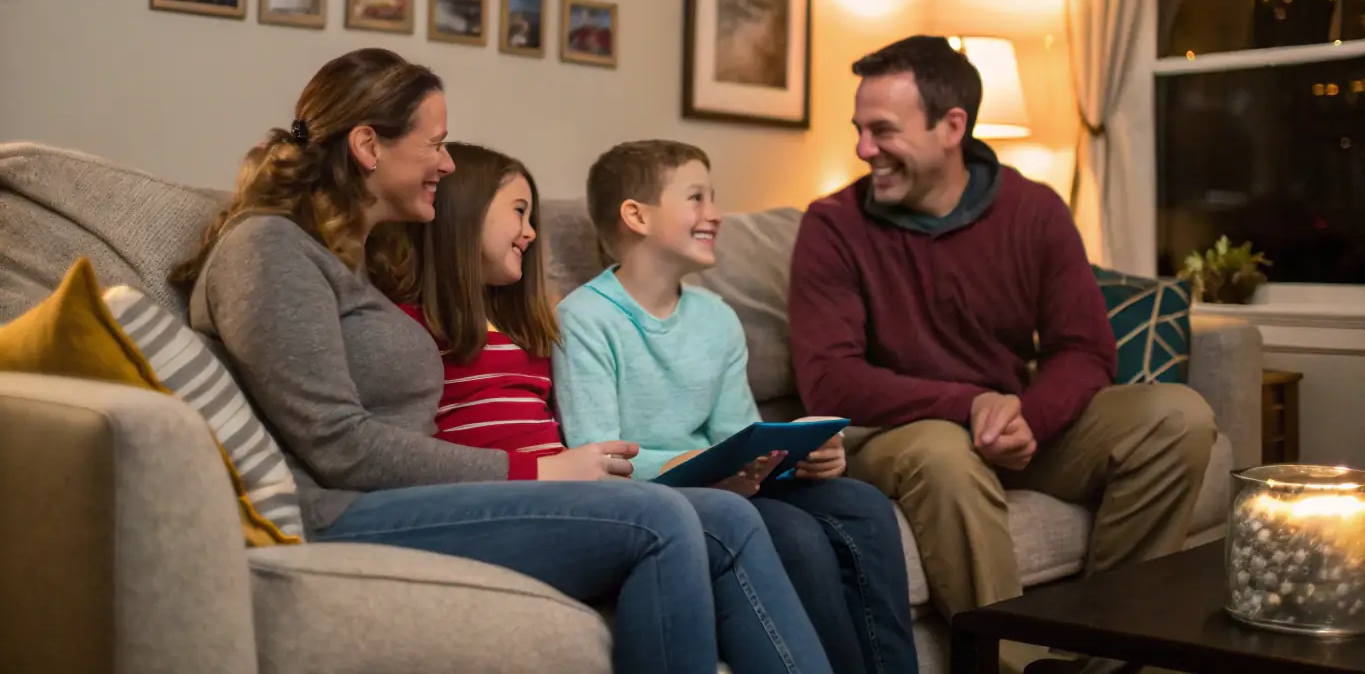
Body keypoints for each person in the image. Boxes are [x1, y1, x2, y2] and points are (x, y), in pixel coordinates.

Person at [172, 48, 829, 674]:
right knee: (657, 519)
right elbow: (339, 444)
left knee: (725, 516)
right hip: (338, 511)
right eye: (434, 144)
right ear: (368, 146)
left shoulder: (351, 262)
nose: (447, 163)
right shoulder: (270, 247)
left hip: (400, 495)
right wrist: (538, 471)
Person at [786, 35, 1217, 664]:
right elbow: (830, 380)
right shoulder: (833, 226)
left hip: (1009, 425)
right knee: (944, 454)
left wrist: (1024, 421)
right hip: (900, 435)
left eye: (882, 131)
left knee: (1178, 417)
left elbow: (1085, 349)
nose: (863, 149)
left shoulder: (1033, 209)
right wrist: (971, 405)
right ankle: (1013, 667)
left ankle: (1108, 661)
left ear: (951, 127)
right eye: (859, 130)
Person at [553, 139, 919, 674]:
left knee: (863, 504)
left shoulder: (716, 316)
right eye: (696, 198)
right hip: (656, 495)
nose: (715, 214)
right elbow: (597, 457)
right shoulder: (584, 319)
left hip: (727, 479)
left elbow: (737, 431)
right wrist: (694, 465)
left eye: (713, 197)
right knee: (795, 536)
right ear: (637, 216)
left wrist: (798, 456)